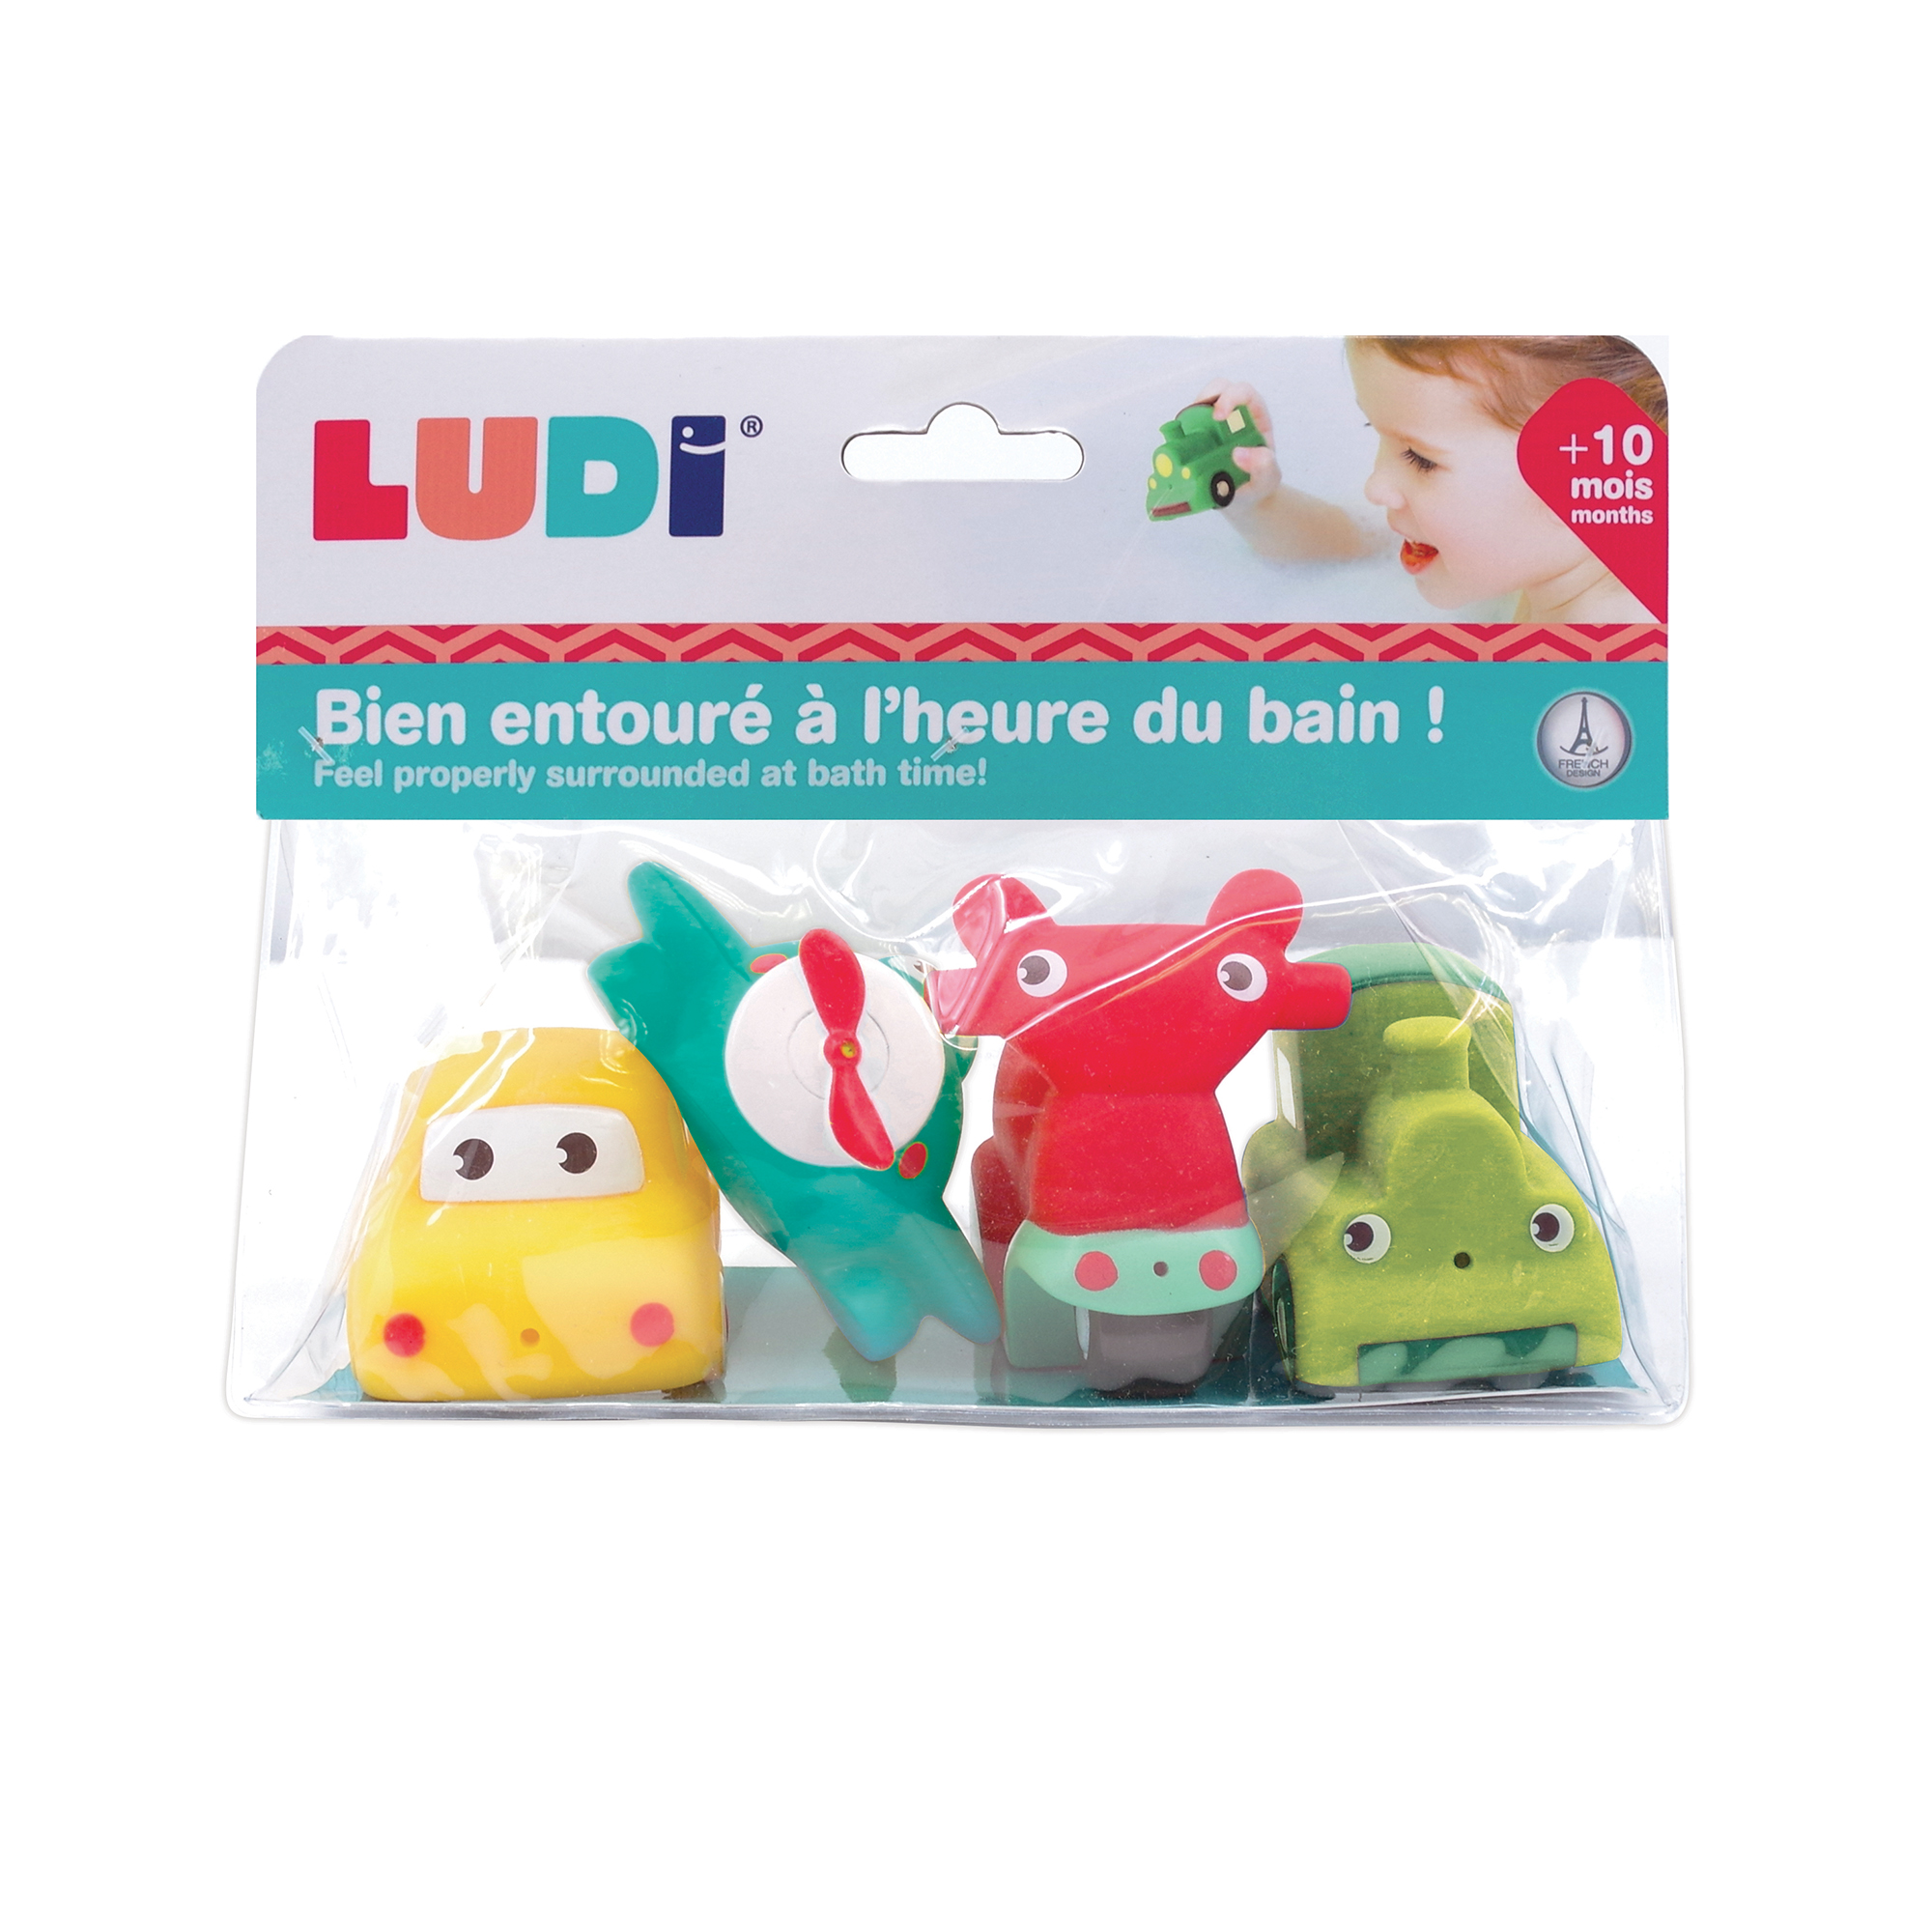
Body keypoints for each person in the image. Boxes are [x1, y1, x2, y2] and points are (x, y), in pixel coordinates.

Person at [1198, 335, 1667, 622]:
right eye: (1374, 430)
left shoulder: (1617, 662)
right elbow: (1346, 539)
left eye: (1419, 459)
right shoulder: (1538, 553)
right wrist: (1256, 501)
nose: (1375, 486)